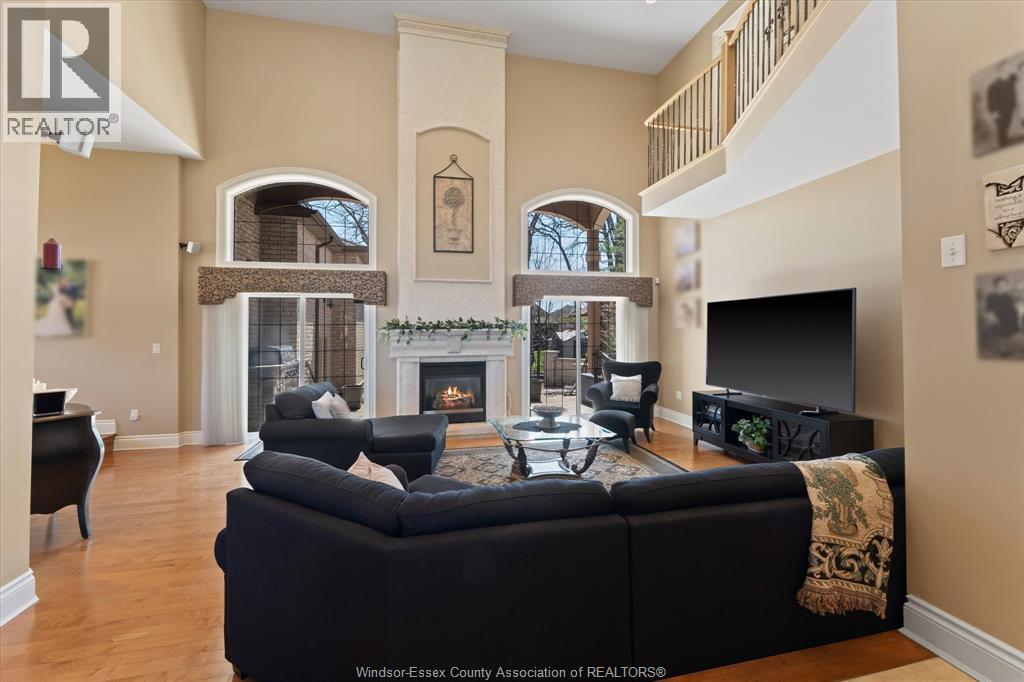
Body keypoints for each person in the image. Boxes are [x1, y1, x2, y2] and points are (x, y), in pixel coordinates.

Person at [984, 276, 1023, 357]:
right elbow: (989, 311)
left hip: (1011, 319)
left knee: (1009, 333)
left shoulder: (1007, 296)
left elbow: (1013, 307)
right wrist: (994, 320)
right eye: (1001, 285)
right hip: (1000, 320)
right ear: (995, 286)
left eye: (1005, 285)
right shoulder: (991, 297)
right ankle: (1003, 350)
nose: (1003, 287)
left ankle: (1006, 348)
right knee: (1001, 334)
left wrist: (1017, 316)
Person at [986, 60, 1018, 148]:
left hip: (1009, 109)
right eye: (1004, 68)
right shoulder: (993, 86)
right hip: (999, 112)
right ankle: (1003, 144)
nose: (1007, 69)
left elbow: (1016, 76)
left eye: (1008, 67)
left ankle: (1005, 140)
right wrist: (994, 113)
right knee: (1002, 128)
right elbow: (991, 101)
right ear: (1000, 70)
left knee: (1007, 125)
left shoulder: (1011, 79)